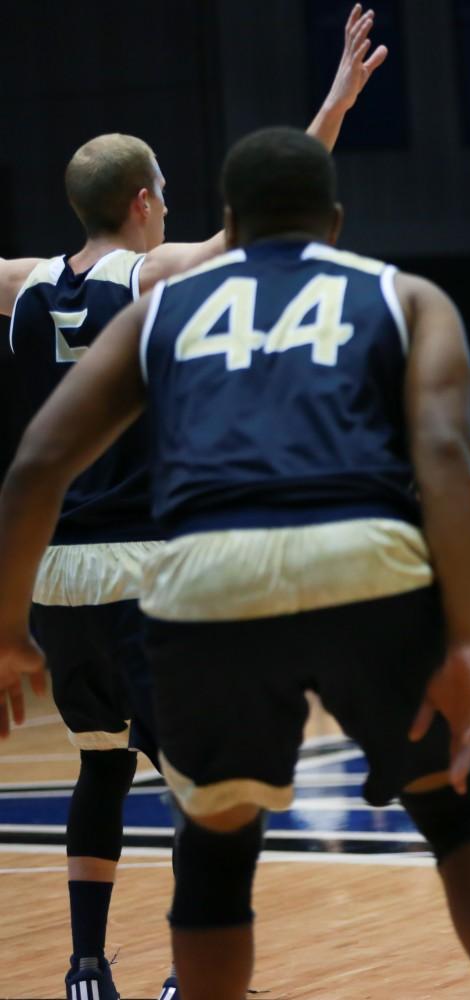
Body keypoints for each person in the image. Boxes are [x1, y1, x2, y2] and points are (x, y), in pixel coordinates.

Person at [0, 127, 470, 1000]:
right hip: (361, 555)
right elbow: (444, 455)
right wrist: (467, 643)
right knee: (455, 810)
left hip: (202, 574)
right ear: (333, 222)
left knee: (216, 843)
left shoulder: (161, 309)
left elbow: (35, 467)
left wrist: (6, 633)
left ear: (229, 221)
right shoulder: (405, 296)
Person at [0, 8, 386, 998]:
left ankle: (85, 966)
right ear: (141, 201)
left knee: (98, 767)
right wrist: (335, 104)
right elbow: (258, 218)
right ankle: (187, 972)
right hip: (142, 563)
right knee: (198, 788)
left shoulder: (21, 284)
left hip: (50, 573)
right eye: (165, 195)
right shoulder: (153, 272)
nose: (170, 211)